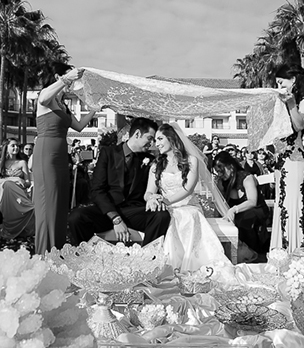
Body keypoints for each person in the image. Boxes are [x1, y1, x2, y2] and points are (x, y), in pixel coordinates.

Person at [141, 124, 233, 272]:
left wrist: (166, 201)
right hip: (166, 207)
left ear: (171, 139)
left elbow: (188, 188)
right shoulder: (156, 165)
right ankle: (164, 266)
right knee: (165, 217)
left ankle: (188, 266)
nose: (156, 143)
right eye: (155, 140)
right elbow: (148, 192)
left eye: (160, 139)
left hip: (187, 205)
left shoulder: (191, 161)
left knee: (187, 216)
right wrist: (152, 199)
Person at [68, 117, 170, 247]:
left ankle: (147, 257)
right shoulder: (108, 153)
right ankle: (88, 257)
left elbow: (153, 188)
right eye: (150, 138)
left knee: (161, 216)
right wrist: (115, 219)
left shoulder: (150, 160)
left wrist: (153, 198)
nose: (152, 144)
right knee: (77, 218)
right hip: (108, 211)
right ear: (137, 134)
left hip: (135, 211)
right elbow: (97, 190)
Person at [32, 63, 98, 254]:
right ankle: (44, 254)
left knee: (60, 204)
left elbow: (79, 127)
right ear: (57, 75)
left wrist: (94, 108)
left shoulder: (63, 105)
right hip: (46, 154)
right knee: (48, 204)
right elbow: (43, 98)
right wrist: (67, 78)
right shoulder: (47, 96)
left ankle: (57, 250)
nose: (72, 83)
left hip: (61, 156)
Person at [270, 64, 304, 252]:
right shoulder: (283, 102)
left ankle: (295, 251)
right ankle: (280, 252)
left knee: (293, 205)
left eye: (281, 82)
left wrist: (290, 104)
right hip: (282, 159)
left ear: (293, 80)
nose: (280, 86)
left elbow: (298, 125)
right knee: (282, 205)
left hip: (295, 159)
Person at [214, 150, 270, 263]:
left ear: (230, 166)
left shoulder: (247, 178)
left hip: (256, 210)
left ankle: (251, 253)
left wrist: (234, 209)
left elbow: (252, 201)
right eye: (217, 172)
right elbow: (220, 202)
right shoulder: (222, 181)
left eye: (222, 170)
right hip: (236, 212)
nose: (220, 174)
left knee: (243, 219)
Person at [0, 138, 35, 243]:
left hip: (19, 193)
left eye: (17, 145)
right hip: (3, 193)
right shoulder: (0, 162)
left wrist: (20, 181)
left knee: (9, 185)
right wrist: (14, 179)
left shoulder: (22, 162)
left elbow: (27, 183)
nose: (16, 148)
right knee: (7, 184)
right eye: (13, 145)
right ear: (6, 147)